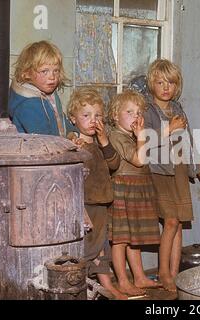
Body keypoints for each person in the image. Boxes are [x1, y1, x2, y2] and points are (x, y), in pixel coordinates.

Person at [142, 59, 200, 292]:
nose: (165, 87)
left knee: (178, 222)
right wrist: (168, 129)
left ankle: (174, 272)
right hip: (159, 171)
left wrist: (199, 169)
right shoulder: (147, 110)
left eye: (170, 83)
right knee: (170, 221)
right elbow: (145, 142)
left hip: (179, 169)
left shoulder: (178, 108)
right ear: (152, 84)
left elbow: (188, 140)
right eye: (160, 82)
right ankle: (162, 271)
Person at [67, 88, 127, 300]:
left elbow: (114, 164)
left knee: (103, 247)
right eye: (86, 115)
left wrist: (104, 141)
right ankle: (80, 286)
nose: (93, 120)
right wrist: (73, 143)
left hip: (103, 202)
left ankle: (108, 285)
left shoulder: (102, 142)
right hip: (85, 204)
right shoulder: (74, 142)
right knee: (87, 247)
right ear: (73, 118)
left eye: (98, 115)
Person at [107, 90, 162, 296]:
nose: (136, 117)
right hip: (123, 190)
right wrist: (141, 138)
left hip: (137, 188)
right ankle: (122, 280)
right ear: (115, 115)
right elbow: (138, 160)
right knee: (121, 239)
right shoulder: (116, 136)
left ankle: (139, 277)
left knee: (134, 238)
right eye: (129, 112)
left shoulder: (130, 136)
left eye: (139, 112)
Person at [8, 40, 76, 137]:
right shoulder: (28, 105)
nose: (52, 77)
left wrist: (71, 134)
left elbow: (61, 119)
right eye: (44, 71)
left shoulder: (50, 95)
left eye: (56, 71)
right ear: (26, 73)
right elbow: (44, 139)